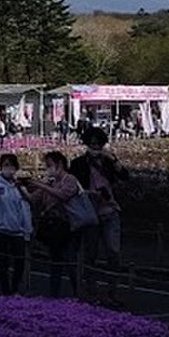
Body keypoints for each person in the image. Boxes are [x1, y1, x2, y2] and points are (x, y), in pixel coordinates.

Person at [69, 128, 128, 303]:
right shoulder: (79, 164)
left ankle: (112, 290)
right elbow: (73, 187)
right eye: (92, 143)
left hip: (109, 211)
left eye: (98, 144)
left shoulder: (108, 162)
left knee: (113, 251)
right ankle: (91, 290)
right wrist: (88, 193)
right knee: (90, 253)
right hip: (90, 213)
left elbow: (125, 176)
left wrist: (113, 159)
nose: (95, 147)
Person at [23, 151, 88, 299]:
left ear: (59, 165)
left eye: (49, 165)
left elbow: (63, 195)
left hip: (69, 225)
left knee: (70, 258)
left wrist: (42, 185)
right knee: (55, 259)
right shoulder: (49, 182)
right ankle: (54, 294)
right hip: (53, 226)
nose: (47, 169)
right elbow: (33, 199)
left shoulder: (70, 179)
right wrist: (23, 188)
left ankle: (78, 292)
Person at [0, 152, 33, 295]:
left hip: (17, 230)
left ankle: (15, 287)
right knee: (3, 262)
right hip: (0, 229)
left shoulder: (18, 186)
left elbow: (29, 200)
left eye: (11, 165)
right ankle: (5, 289)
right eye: (5, 165)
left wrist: (21, 187)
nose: (8, 168)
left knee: (19, 262)